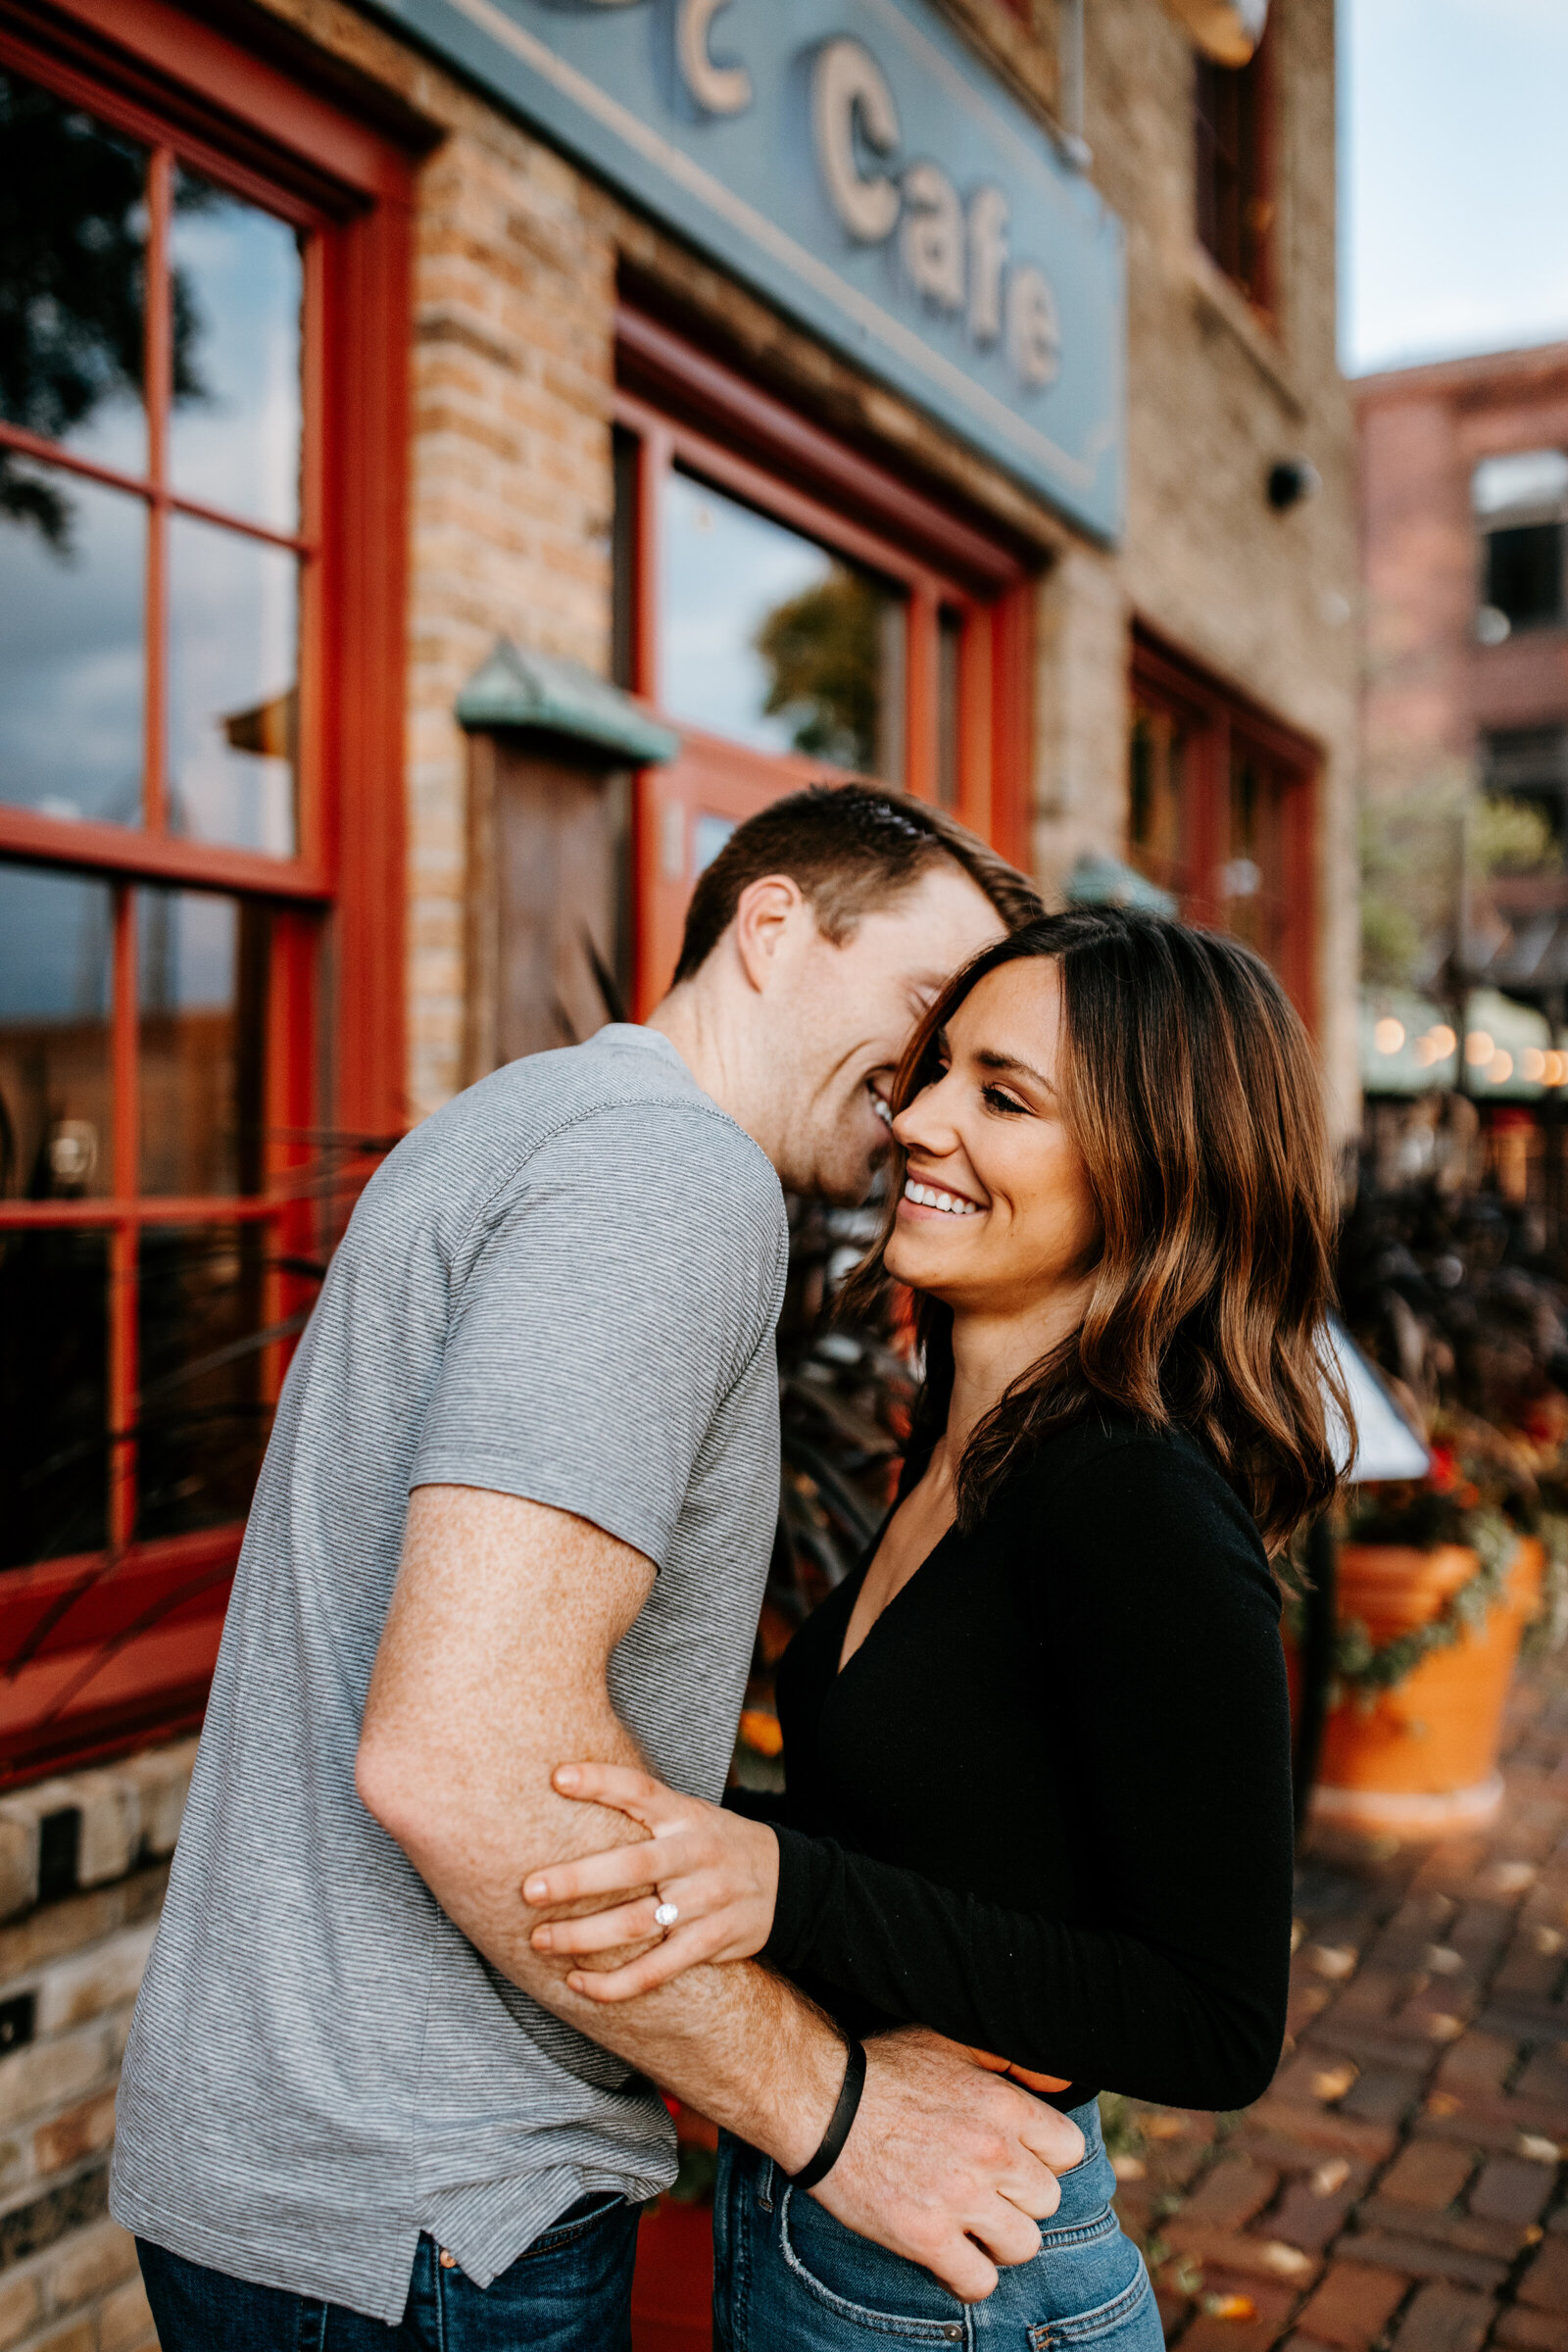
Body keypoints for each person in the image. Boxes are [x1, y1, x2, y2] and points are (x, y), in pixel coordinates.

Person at [112, 785, 1089, 2352]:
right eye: (925, 1016)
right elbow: (460, 1753)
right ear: (770, 926)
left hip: (303, 2176)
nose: (925, 1101)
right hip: (434, 2207)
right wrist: (833, 2110)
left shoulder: (527, 1117)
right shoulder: (669, 1181)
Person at [522, 906, 1350, 2349]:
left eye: (1003, 1096)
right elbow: (947, 1843)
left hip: (968, 2295)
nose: (917, 1119)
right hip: (843, 2216)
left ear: (1155, 1170)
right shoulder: (966, 1449)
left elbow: (1215, 2016)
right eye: (936, 1070)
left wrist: (783, 1885)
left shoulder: (1137, 1501)